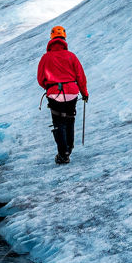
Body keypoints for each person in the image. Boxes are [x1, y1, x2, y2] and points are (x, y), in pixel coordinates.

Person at [37, 25, 88, 164]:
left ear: (51, 39)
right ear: (64, 39)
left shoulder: (45, 58)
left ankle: (63, 154)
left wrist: (49, 87)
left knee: (58, 122)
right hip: (71, 92)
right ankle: (69, 147)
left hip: (54, 94)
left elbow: (40, 78)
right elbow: (80, 77)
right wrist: (84, 93)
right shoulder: (71, 56)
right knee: (70, 119)